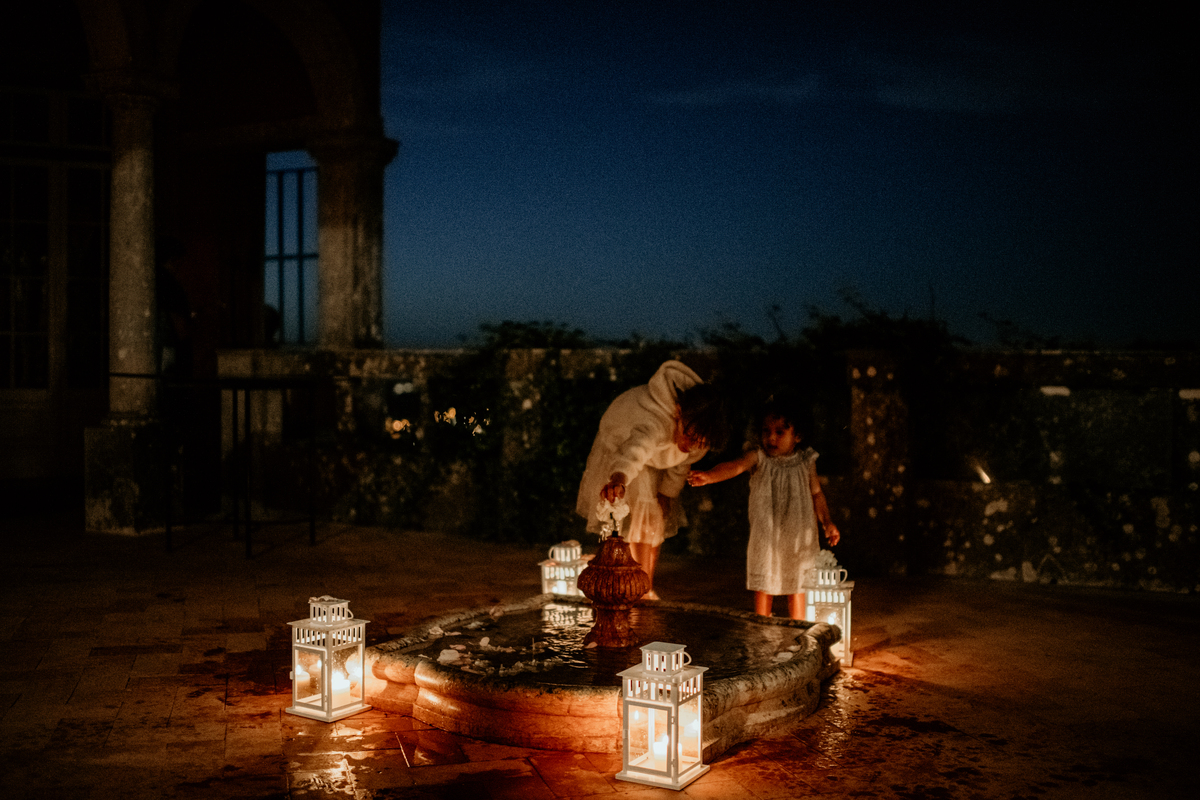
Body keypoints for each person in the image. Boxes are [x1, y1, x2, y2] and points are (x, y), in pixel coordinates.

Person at [576, 360, 728, 599]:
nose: (690, 445)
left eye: (698, 443)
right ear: (678, 412)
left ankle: (645, 584)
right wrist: (619, 478)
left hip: (657, 458)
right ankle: (628, 584)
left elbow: (682, 461)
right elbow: (634, 451)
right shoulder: (655, 423)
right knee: (633, 519)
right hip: (622, 445)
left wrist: (667, 493)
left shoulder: (700, 432)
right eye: (688, 436)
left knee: (655, 520)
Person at [687, 395, 841, 618]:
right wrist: (710, 476)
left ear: (797, 435)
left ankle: (798, 626)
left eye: (780, 432)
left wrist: (827, 522)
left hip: (798, 536)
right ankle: (761, 623)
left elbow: (816, 494)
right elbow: (736, 466)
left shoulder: (806, 461)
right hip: (767, 536)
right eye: (766, 431)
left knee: (798, 582)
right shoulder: (759, 457)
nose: (771, 437)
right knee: (764, 581)